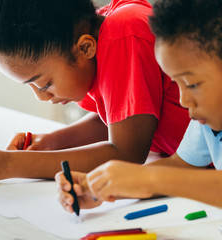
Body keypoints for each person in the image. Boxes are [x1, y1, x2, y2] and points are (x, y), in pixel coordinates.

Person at [0, 0, 189, 185]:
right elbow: (122, 120)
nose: (41, 96)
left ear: (85, 48)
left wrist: (4, 164)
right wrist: (53, 141)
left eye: (45, 83)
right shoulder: (96, 32)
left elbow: (127, 152)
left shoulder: (123, 34)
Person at [56, 0, 222, 211]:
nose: (183, 100)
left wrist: (147, 179)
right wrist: (104, 186)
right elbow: (179, 165)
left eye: (192, 84)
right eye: (176, 83)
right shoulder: (207, 119)